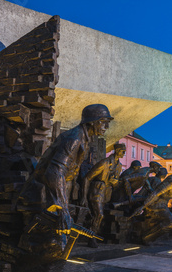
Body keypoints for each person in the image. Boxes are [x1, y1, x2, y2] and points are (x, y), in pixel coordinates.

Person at [19, 104, 113, 249]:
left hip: (52, 193)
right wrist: (63, 209)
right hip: (42, 194)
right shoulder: (75, 138)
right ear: (91, 122)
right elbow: (54, 171)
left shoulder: (84, 138)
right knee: (52, 243)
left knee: (58, 241)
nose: (106, 126)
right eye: (103, 121)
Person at [81, 143, 126, 248]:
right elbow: (87, 178)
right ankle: (91, 238)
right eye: (122, 151)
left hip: (106, 193)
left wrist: (115, 183)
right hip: (96, 191)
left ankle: (93, 233)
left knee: (99, 215)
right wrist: (83, 196)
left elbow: (116, 180)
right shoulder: (104, 163)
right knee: (99, 214)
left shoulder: (119, 166)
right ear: (117, 150)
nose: (124, 153)